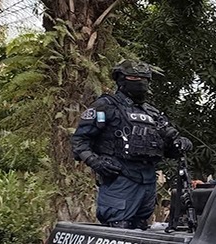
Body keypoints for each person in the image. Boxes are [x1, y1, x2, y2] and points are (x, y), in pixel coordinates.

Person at [71, 59, 193, 229]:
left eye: (144, 79)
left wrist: (180, 143)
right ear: (121, 80)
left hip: (148, 182)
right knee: (118, 228)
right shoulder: (106, 106)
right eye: (134, 78)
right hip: (120, 180)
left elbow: (168, 148)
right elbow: (79, 141)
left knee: (141, 229)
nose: (140, 83)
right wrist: (94, 161)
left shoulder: (152, 113)